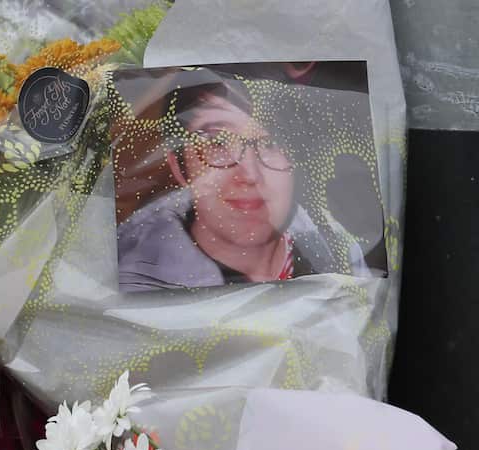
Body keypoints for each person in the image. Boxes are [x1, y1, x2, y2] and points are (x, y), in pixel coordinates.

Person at [116, 73, 367, 292]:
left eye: (271, 143)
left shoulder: (341, 249)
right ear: (180, 168)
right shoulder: (138, 286)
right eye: (217, 144)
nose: (249, 175)